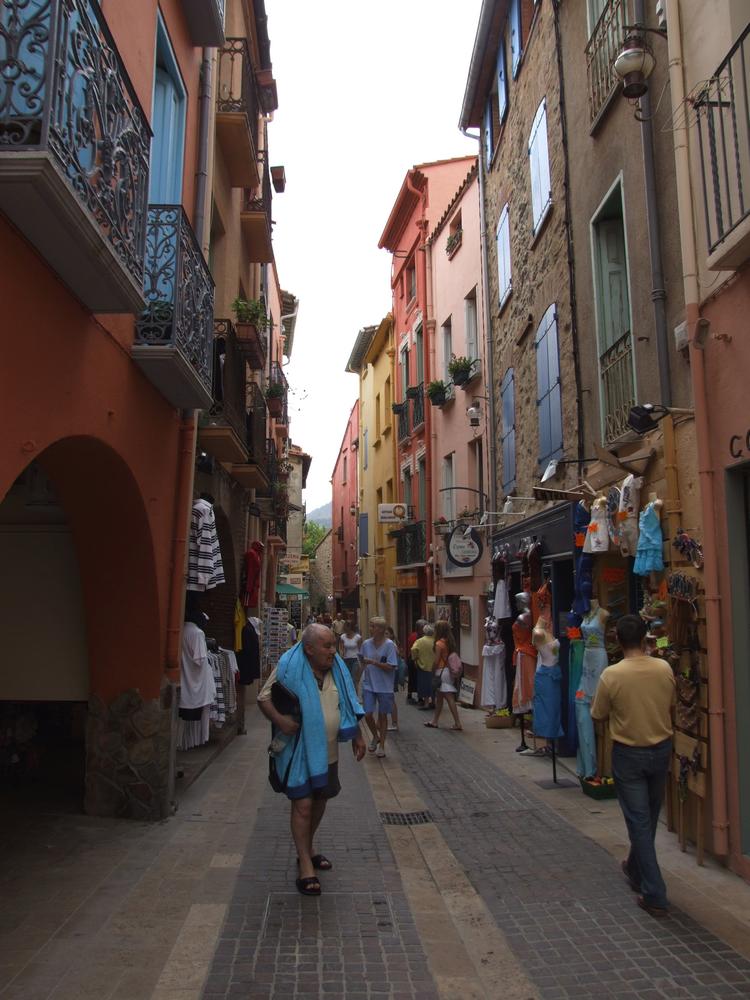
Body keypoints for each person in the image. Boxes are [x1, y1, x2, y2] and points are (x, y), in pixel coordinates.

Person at [258, 624, 366, 896]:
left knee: (320, 800)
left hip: (328, 751)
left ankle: (308, 847)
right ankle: (305, 863)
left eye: (334, 645)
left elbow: (348, 704)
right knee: (304, 804)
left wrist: (357, 736)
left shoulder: (338, 670)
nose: (333, 651)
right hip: (299, 751)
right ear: (309, 649)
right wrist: (281, 721)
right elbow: (263, 698)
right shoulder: (288, 667)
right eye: (327, 646)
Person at [591, 614, 676, 918]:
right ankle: (635, 869)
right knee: (649, 816)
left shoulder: (611, 676)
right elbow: (672, 703)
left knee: (639, 821)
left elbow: (598, 713)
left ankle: (654, 893)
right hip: (661, 749)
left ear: (617, 640)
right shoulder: (664, 668)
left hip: (628, 754)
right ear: (644, 639)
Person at [359, 617, 398, 757]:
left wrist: (374, 663)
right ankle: (375, 736)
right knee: (367, 714)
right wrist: (360, 675)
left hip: (385, 686)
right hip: (369, 684)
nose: (370, 629)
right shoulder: (366, 644)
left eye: (373, 626)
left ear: (381, 629)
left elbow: (391, 666)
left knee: (382, 716)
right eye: (370, 626)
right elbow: (362, 660)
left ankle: (382, 746)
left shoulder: (389, 646)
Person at [424, 620, 462, 731]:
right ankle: (434, 721)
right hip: (447, 671)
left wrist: (432, 670)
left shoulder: (439, 644)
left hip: (441, 672)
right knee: (439, 698)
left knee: (449, 697)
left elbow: (436, 661)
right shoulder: (449, 642)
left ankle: (457, 723)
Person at [410, 623, 436, 711]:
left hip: (423, 665)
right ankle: (433, 701)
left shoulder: (420, 641)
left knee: (424, 685)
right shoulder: (435, 640)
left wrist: (415, 658)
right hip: (434, 666)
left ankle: (426, 703)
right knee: (433, 685)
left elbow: (413, 649)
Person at [385, 626, 406, 732]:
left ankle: (394, 723)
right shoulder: (391, 644)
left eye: (387, 633)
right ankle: (392, 722)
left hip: (391, 674)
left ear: (391, 635)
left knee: (390, 698)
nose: (385, 636)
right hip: (390, 674)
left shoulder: (391, 645)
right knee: (389, 698)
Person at [406, 618, 427, 704]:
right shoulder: (415, 637)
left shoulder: (414, 635)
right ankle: (415, 696)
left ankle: (415, 695)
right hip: (414, 659)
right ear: (419, 628)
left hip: (415, 659)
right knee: (414, 677)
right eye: (423, 627)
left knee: (416, 678)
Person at [338, 620, 362, 687]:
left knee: (353, 678)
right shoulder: (343, 637)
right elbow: (341, 648)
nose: (345, 629)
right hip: (346, 659)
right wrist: (341, 655)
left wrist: (361, 662)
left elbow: (360, 650)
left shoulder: (358, 637)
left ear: (350, 628)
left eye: (346, 627)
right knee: (347, 678)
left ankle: (354, 694)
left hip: (355, 659)